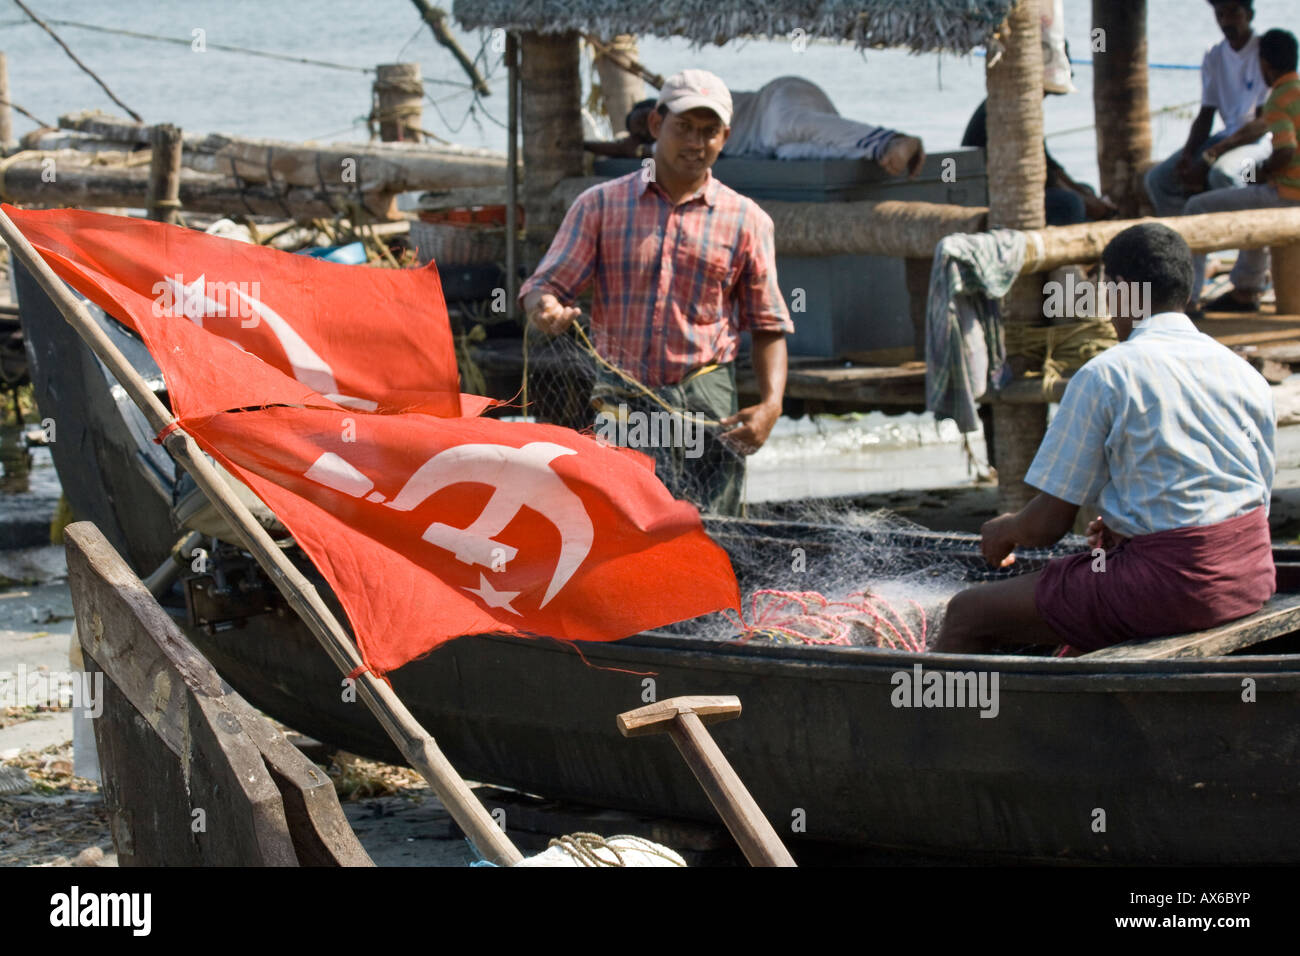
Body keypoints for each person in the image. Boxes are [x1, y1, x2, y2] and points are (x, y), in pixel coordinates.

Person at [933, 223, 1276, 655]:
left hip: (1174, 588)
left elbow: (1047, 527)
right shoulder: (1244, 372)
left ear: (1117, 290)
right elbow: (1247, 496)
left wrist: (1005, 530)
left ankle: (934, 717)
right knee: (1081, 581)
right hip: (1250, 575)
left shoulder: (1107, 374)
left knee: (968, 612)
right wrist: (1129, 525)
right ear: (1184, 292)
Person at [522, 69, 793, 516]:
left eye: (708, 132)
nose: (695, 143)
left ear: (725, 137)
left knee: (710, 535)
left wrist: (771, 405)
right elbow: (544, 286)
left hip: (705, 406)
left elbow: (769, 324)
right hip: (623, 405)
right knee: (622, 522)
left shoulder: (748, 220)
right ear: (655, 126)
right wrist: (545, 308)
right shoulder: (600, 205)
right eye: (683, 127)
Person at [586, 78, 925, 178]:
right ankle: (874, 151)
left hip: (778, 99)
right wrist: (583, 145)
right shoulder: (666, 146)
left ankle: (892, 140)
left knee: (790, 128)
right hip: (770, 144)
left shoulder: (690, 99)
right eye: (643, 132)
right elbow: (627, 149)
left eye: (646, 121)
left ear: (658, 114)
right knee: (798, 152)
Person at [1184, 28, 1300, 312]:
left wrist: (1263, 171)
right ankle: (1247, 288)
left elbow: (1285, 150)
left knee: (1195, 208)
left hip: (1288, 194)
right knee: (1252, 199)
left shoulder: (1278, 99)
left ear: (1265, 65)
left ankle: (1188, 300)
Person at [1144, 0, 1273, 223]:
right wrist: (1188, 154)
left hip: (1261, 141)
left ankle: (1247, 246)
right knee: (1158, 179)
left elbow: (1264, 123)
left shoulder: (1265, 51)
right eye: (1220, 14)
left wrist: (1209, 157)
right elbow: (1206, 115)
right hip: (1228, 137)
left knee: (1224, 174)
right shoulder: (1214, 55)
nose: (1226, 21)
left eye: (1234, 13)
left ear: (1249, 15)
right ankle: (1183, 246)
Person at [961, 97, 1117, 225]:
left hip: (1023, 186)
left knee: (1085, 190)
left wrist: (1087, 195)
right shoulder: (1014, 106)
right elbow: (1043, 174)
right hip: (999, 195)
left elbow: (1050, 165)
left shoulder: (1024, 106)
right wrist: (1087, 202)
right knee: (1071, 203)